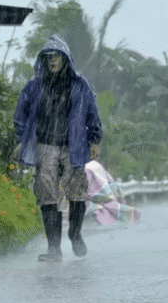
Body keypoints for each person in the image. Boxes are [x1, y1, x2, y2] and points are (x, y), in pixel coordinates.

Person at [13, 34, 102, 262]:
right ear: (44, 59)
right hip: (45, 145)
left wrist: (94, 139)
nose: (52, 60)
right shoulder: (35, 85)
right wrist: (20, 140)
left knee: (76, 192)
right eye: (48, 56)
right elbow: (21, 114)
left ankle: (74, 234)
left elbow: (92, 113)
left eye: (56, 56)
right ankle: (54, 249)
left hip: (73, 145)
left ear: (65, 58)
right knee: (46, 194)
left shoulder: (80, 84)